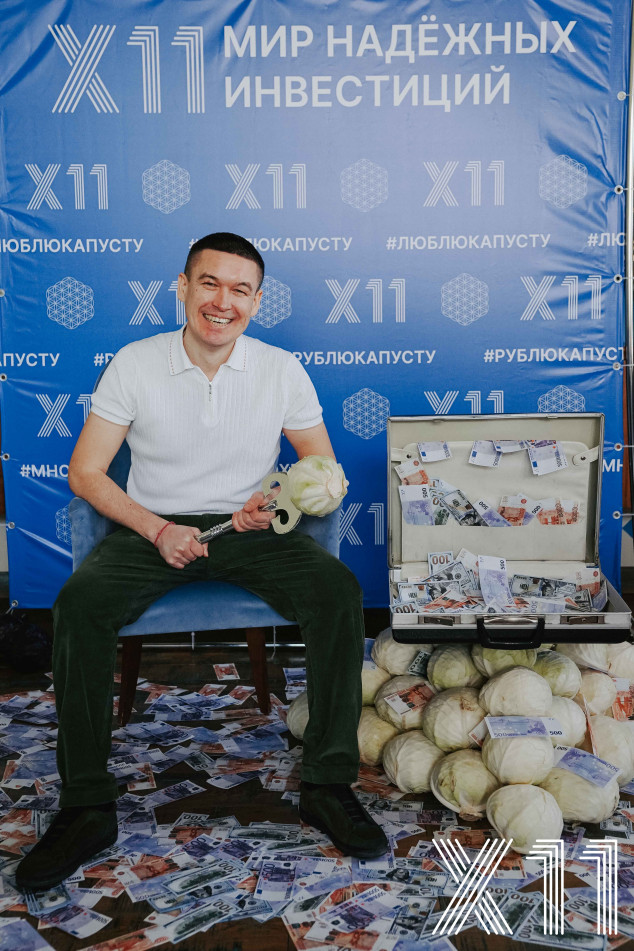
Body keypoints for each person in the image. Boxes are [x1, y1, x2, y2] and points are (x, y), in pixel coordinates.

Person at [16, 232, 387, 891]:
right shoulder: (134, 363)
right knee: (79, 605)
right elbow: (86, 472)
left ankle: (328, 786)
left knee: (336, 591)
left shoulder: (281, 369)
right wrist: (157, 528)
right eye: (209, 283)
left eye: (240, 290)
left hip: (250, 531)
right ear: (183, 288)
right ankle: (86, 805)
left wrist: (274, 499)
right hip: (149, 529)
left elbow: (321, 467)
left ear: (257, 301)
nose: (223, 302)